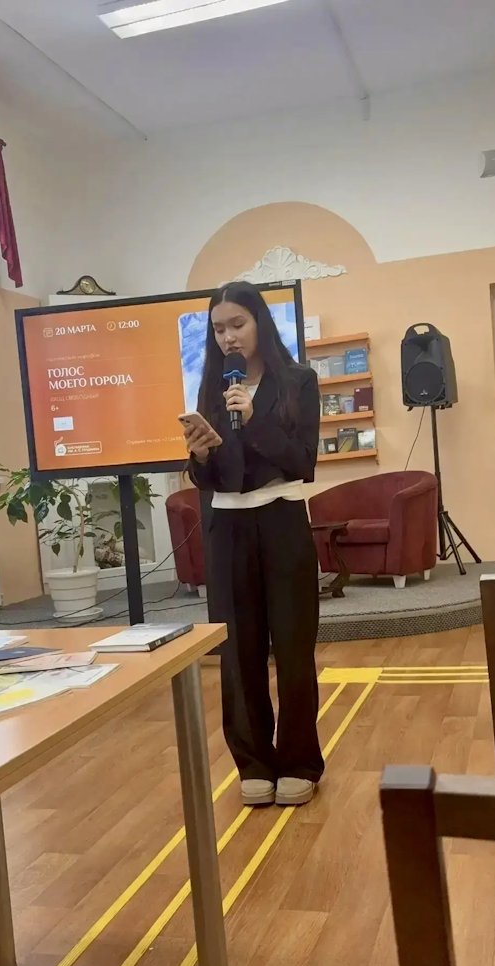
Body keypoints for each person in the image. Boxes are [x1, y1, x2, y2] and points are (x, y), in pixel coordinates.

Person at [183, 281, 324, 807]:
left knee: (292, 646)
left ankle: (300, 761)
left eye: (237, 325)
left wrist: (255, 417)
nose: (228, 337)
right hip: (228, 527)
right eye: (218, 328)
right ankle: (254, 762)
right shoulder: (212, 387)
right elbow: (213, 477)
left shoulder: (298, 380)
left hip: (282, 519)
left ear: (260, 323)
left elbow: (302, 460)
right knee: (238, 653)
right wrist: (201, 455)